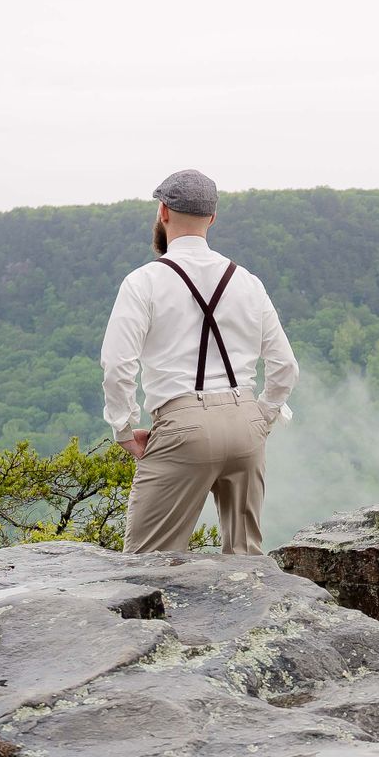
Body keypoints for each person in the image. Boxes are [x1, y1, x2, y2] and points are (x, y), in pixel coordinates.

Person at [99, 169, 299, 554]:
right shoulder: (247, 281)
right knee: (246, 560)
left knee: (148, 563)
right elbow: (285, 366)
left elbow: (118, 364)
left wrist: (123, 428)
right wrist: (262, 416)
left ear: (163, 212)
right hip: (246, 420)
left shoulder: (143, 282)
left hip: (182, 424)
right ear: (212, 218)